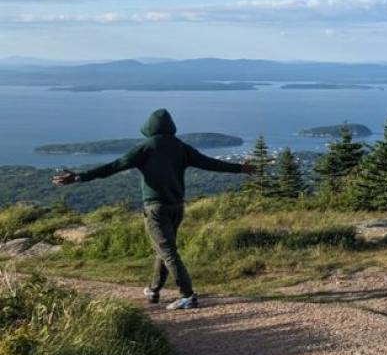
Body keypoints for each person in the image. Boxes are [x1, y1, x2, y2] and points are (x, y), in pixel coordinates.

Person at [52, 108, 255, 310]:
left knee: (168, 251)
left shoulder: (146, 147)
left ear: (149, 127)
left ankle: (187, 296)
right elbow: (209, 163)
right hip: (177, 208)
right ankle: (153, 290)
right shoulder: (181, 147)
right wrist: (240, 168)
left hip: (156, 208)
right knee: (164, 249)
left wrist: (79, 177)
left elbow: (114, 167)